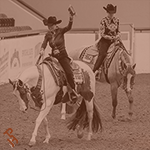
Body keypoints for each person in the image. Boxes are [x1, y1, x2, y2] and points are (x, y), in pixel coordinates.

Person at [39, 11, 78, 102]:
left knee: (68, 72)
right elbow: (44, 43)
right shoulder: (48, 35)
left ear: (55, 25)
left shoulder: (61, 31)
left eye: (51, 26)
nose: (50, 27)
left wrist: (71, 18)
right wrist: (42, 49)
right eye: (49, 26)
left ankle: (73, 90)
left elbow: (69, 27)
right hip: (53, 57)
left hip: (63, 56)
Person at [93, 4, 121, 74]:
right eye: (110, 13)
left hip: (115, 40)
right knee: (102, 54)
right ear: (107, 12)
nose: (111, 14)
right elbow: (102, 33)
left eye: (113, 13)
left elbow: (118, 31)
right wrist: (111, 37)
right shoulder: (103, 21)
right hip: (105, 41)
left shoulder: (117, 20)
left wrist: (117, 36)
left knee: (123, 51)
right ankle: (94, 70)